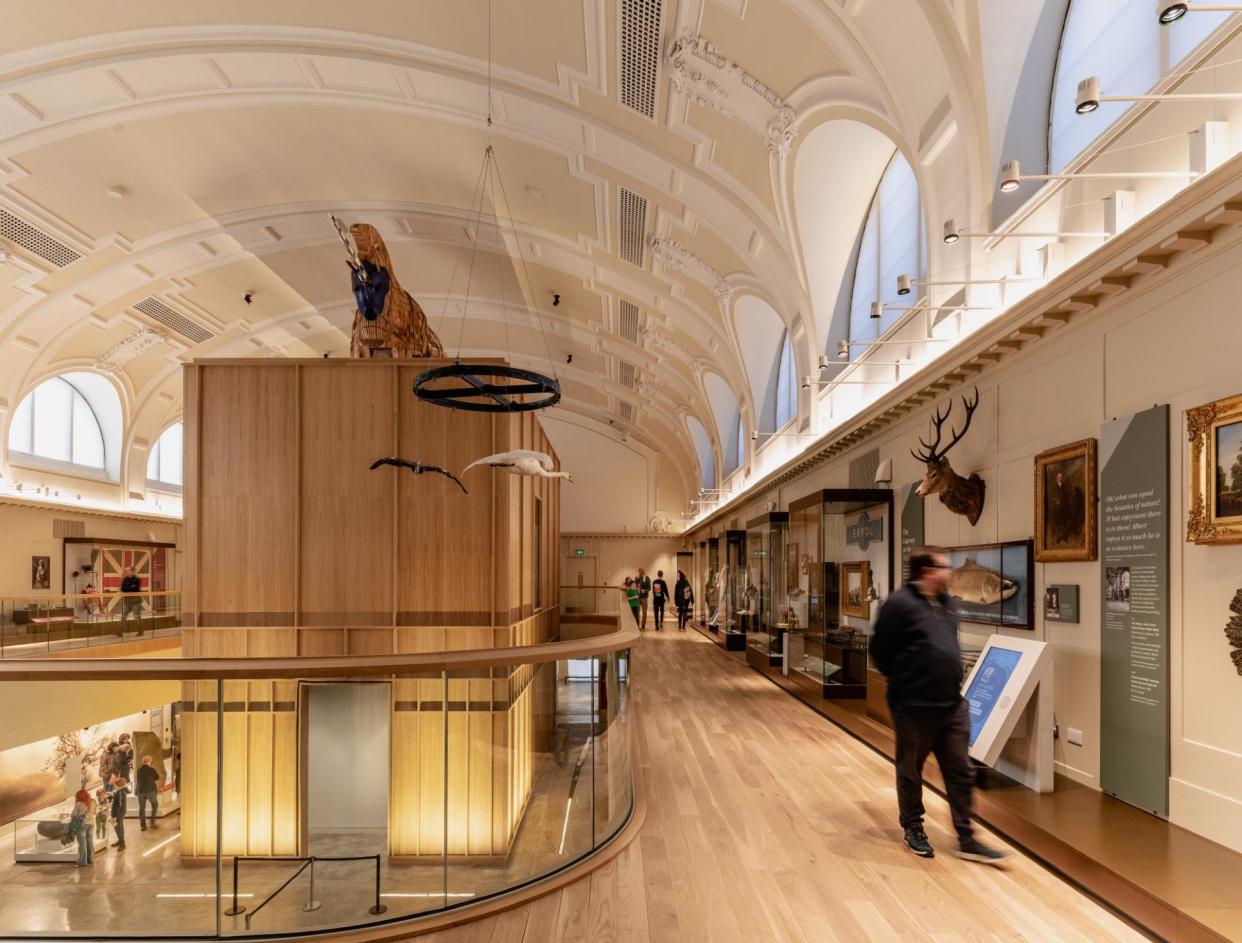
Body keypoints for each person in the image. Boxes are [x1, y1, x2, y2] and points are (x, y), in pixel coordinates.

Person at [868, 547, 1007, 865]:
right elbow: (880, 650)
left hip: (951, 703)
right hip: (912, 704)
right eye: (945, 567)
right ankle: (913, 827)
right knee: (911, 769)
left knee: (960, 770)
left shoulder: (946, 603)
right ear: (927, 571)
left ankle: (966, 837)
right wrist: (905, 681)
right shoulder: (899, 604)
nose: (950, 572)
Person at [70, 789, 95, 867]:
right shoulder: (93, 801)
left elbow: (73, 814)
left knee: (82, 843)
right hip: (91, 823)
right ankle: (90, 859)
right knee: (89, 841)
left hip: (82, 824)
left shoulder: (79, 803)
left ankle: (82, 862)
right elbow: (94, 812)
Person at [135, 756, 160, 830]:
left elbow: (138, 781)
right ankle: (152, 823)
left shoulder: (139, 770)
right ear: (149, 761)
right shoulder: (151, 769)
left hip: (141, 791)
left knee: (142, 808)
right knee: (155, 805)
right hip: (150, 791)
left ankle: (143, 825)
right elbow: (157, 777)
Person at [119, 566, 143, 633]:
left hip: (136, 601)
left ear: (132, 571)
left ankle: (140, 631)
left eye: (127, 571)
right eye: (125, 571)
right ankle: (120, 631)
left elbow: (136, 589)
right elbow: (122, 589)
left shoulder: (137, 579)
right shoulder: (125, 579)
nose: (126, 572)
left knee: (137, 617)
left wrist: (128, 588)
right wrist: (129, 587)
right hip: (127, 601)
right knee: (123, 616)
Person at [109, 776, 129, 850]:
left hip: (118, 814)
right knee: (117, 827)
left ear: (118, 785)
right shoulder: (120, 792)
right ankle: (120, 840)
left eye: (115, 784)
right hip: (118, 813)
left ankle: (122, 843)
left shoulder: (120, 793)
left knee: (118, 827)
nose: (114, 785)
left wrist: (115, 816)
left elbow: (120, 805)